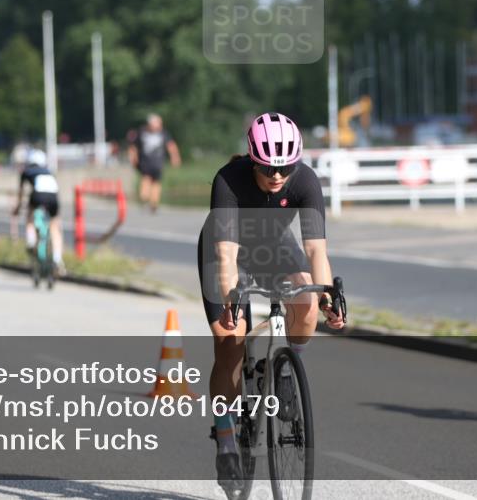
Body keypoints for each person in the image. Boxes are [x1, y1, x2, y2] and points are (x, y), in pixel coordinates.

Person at [197, 112, 344, 491]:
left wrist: (327, 296)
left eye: (285, 168)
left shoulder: (306, 181)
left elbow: (315, 250)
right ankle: (226, 434)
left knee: (308, 299)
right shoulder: (228, 181)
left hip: (275, 248)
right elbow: (227, 255)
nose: (277, 176)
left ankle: (284, 371)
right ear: (252, 159)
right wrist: (230, 296)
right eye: (266, 168)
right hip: (226, 252)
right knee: (230, 341)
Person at [12, 149, 65, 276]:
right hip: (53, 198)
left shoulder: (26, 171)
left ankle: (31, 240)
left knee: (30, 217)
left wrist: (17, 208)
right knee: (54, 227)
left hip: (37, 196)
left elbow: (21, 194)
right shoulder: (49, 172)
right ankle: (57, 259)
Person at [128, 113, 181, 213]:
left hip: (158, 162)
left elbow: (171, 145)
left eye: (159, 124)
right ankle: (144, 198)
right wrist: (133, 157)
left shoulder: (164, 133)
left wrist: (175, 157)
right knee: (146, 178)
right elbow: (134, 146)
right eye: (156, 124)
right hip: (145, 162)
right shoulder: (142, 132)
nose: (158, 126)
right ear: (149, 124)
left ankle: (154, 203)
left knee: (156, 182)